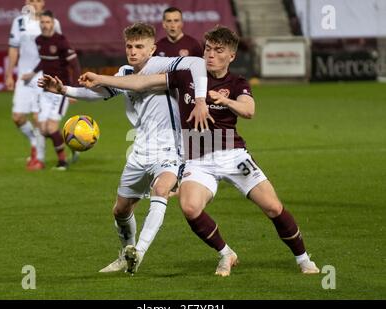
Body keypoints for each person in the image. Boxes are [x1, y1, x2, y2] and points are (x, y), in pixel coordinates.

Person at [80, 25, 320, 277]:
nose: (211, 54)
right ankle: (226, 254)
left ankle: (303, 259)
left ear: (232, 56)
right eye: (208, 49)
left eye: (219, 50)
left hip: (232, 154)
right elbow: (140, 81)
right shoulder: (186, 76)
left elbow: (249, 110)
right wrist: (101, 78)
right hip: (197, 159)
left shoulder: (236, 82)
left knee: (272, 207)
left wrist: (225, 100)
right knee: (190, 208)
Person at [38, 22, 209, 273]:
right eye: (129, 46)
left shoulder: (162, 65)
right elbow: (99, 93)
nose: (133, 51)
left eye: (140, 46)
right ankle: (125, 256)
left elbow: (197, 63)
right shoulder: (125, 71)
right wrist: (63, 89)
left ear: (152, 49)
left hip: (170, 148)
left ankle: (138, 252)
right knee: (121, 209)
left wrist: (201, 100)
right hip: (140, 150)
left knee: (161, 190)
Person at [5, 0, 61, 170]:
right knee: (18, 117)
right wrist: (9, 74)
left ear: (43, 3)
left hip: (43, 76)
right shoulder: (19, 22)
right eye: (30, 0)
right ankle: (35, 141)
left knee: (38, 118)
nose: (33, 4)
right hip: (24, 76)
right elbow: (14, 49)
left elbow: (59, 49)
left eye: (37, 1)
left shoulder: (53, 22)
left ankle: (39, 159)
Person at [22, 10, 81, 170]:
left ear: (53, 23)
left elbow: (74, 65)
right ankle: (71, 145)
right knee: (42, 128)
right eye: (42, 22)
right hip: (45, 90)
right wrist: (32, 73)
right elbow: (44, 61)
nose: (45, 25)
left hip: (61, 90)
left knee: (51, 128)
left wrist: (75, 90)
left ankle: (62, 162)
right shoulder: (39, 40)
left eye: (48, 22)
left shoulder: (61, 41)